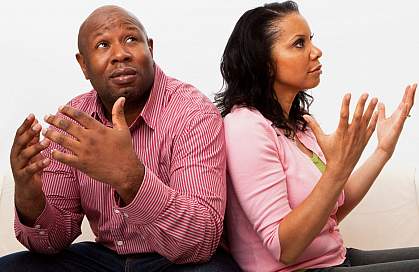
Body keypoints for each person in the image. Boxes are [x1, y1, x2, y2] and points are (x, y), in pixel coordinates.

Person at [2, 5, 240, 272]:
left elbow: (201, 241)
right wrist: (29, 196)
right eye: (103, 45)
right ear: (84, 65)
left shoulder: (193, 113)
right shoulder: (73, 123)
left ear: (150, 48)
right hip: (105, 258)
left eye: (131, 39)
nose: (120, 54)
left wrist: (129, 177)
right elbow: (53, 242)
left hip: (174, 261)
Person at [216, 1, 418, 271]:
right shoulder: (245, 128)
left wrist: (382, 151)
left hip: (335, 260)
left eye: (311, 40)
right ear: (263, 62)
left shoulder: (299, 126)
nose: (317, 52)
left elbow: (329, 213)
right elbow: (284, 248)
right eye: (299, 44)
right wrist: (338, 169)